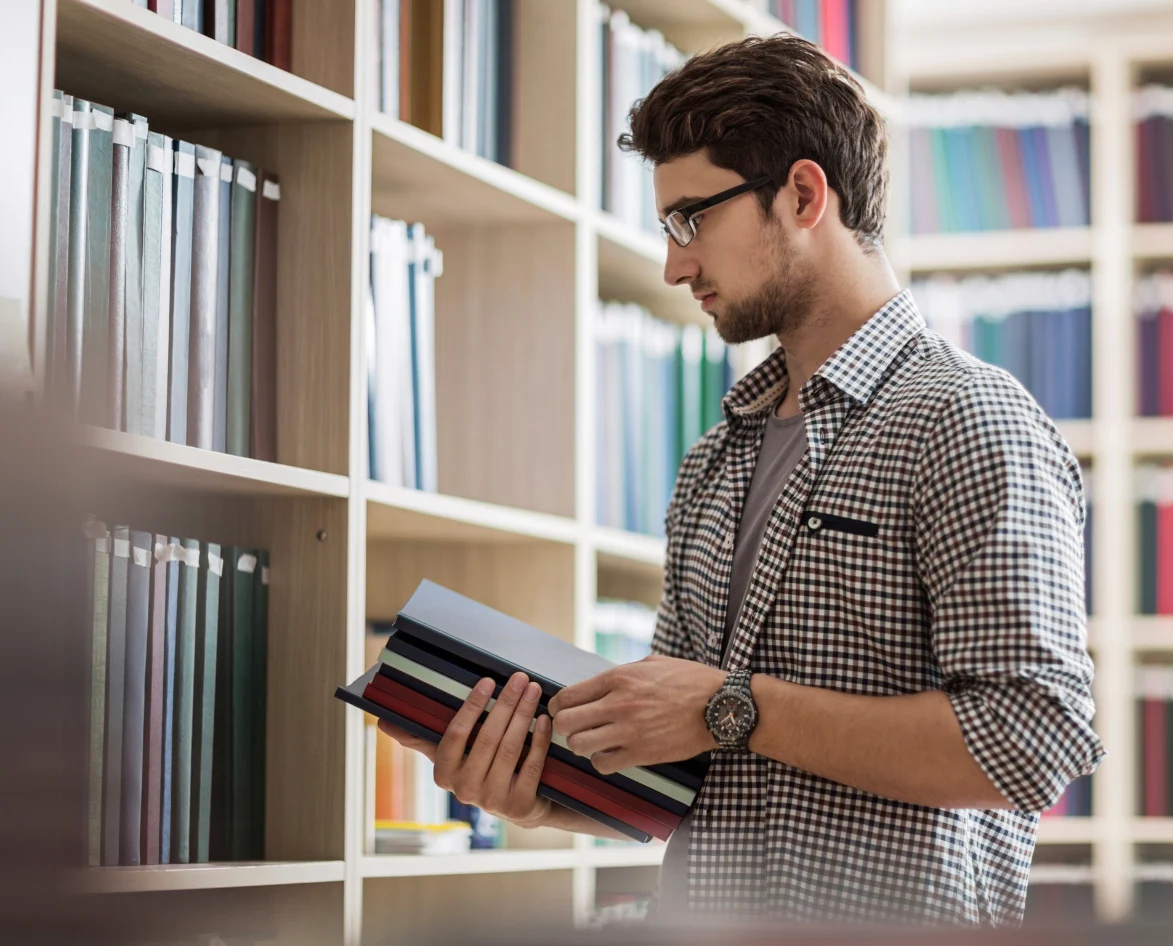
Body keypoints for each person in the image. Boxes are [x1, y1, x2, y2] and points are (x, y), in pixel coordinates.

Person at [380, 34, 1104, 925]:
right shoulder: (714, 459)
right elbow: (688, 770)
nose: (675, 265)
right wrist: (537, 795)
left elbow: (1033, 741)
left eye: (692, 219)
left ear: (803, 194)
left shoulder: (969, 420)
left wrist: (733, 706)